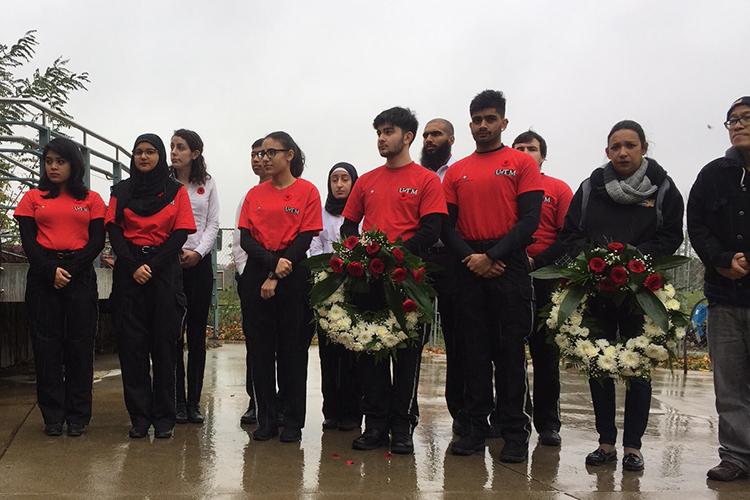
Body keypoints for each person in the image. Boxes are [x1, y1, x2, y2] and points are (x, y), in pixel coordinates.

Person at [559, 120, 684, 471]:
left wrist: (634, 260)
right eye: (615, 146)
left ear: (644, 147)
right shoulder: (590, 188)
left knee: (637, 367)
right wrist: (596, 264)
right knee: (599, 364)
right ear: (607, 151)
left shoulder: (662, 188)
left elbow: (670, 235)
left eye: (630, 145)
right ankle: (605, 443)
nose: (623, 152)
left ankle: (633, 447)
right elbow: (572, 234)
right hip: (597, 289)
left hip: (641, 294)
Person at [442, 90, 543, 463]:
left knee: (509, 353)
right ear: (470, 125)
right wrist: (472, 258)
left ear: (503, 122)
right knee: (474, 353)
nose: (483, 126)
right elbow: (446, 226)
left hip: (508, 264)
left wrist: (494, 256)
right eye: (477, 120)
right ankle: (474, 429)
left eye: (490, 119)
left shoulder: (521, 164)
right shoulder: (456, 171)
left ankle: (514, 432)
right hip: (468, 265)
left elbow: (530, 220)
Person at [341, 106, 447, 454]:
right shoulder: (367, 181)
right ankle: (374, 425)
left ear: (408, 137)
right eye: (379, 133)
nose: (382, 138)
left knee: (406, 357)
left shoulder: (426, 180)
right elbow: (348, 226)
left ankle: (401, 428)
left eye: (388, 132)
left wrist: (392, 255)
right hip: (369, 280)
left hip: (409, 280)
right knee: (371, 351)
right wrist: (361, 255)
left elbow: (432, 229)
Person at [14, 137, 106, 437]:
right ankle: (52, 415)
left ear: (73, 164)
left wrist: (70, 269)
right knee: (46, 346)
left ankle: (79, 415)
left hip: (79, 274)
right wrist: (50, 269)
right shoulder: (32, 198)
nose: (53, 167)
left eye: (60, 161)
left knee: (80, 345)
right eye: (49, 161)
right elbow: (29, 242)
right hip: (43, 275)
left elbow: (95, 242)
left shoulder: (91, 199)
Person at [106, 133, 196, 439]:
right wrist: (134, 266)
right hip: (129, 274)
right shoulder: (120, 191)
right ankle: (139, 418)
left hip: (164, 275)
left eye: (150, 152)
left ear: (159, 156)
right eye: (138, 152)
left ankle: (164, 418)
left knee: (164, 347)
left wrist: (152, 266)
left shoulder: (175, 191)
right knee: (132, 349)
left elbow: (180, 233)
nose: (143, 157)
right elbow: (115, 232)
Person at [238, 131, 322, 443]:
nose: (265, 157)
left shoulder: (307, 191)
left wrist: (281, 267)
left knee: (292, 351)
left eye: (272, 152)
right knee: (259, 351)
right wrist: (272, 265)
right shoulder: (254, 194)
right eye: (262, 152)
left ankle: (292, 421)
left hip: (294, 273)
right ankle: (266, 418)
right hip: (258, 273)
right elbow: (246, 238)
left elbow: (305, 236)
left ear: (290, 155)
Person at [687, 96, 750, 482]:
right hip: (725, 298)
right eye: (732, 120)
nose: (738, 125)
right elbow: (696, 226)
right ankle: (736, 456)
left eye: (746, 118)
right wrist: (722, 259)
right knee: (729, 384)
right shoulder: (713, 175)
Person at [512, 130, 573, 446]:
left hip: (546, 277)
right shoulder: (503, 185)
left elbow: (568, 236)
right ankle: (512, 416)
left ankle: (548, 423)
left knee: (545, 354)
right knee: (508, 354)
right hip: (508, 273)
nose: (524, 152)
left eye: (531, 148)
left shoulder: (558, 189)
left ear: (543, 155)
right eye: (518, 147)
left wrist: (539, 263)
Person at [170, 129, 219, 425]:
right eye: (172, 146)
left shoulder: (208, 184)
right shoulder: (164, 184)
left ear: (195, 153)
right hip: (170, 262)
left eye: (181, 147)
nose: (174, 152)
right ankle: (176, 400)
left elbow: (212, 223)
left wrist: (199, 253)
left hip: (198, 262)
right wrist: (173, 251)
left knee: (197, 334)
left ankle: (194, 402)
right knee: (173, 334)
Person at [420, 118, 465, 434]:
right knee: (412, 334)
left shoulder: (461, 173)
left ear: (451, 138)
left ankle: (462, 413)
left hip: (453, 260)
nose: (429, 140)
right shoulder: (418, 176)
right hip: (420, 258)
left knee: (458, 338)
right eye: (425, 135)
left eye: (436, 134)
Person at [309, 162, 362, 431]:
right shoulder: (322, 213)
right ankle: (331, 411)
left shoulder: (361, 213)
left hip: (357, 288)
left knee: (354, 352)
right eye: (334, 180)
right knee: (329, 355)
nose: (339, 185)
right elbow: (314, 245)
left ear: (354, 182)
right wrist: (328, 265)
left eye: (345, 179)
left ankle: (353, 412)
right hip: (327, 287)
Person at [234, 138, 267, 426]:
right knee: (256, 344)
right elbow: (238, 240)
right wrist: (247, 274)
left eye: (265, 153)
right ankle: (256, 401)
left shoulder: (298, 192)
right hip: (252, 277)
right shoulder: (249, 196)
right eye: (254, 154)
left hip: (285, 275)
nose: (258, 159)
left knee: (284, 346)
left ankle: (280, 402)